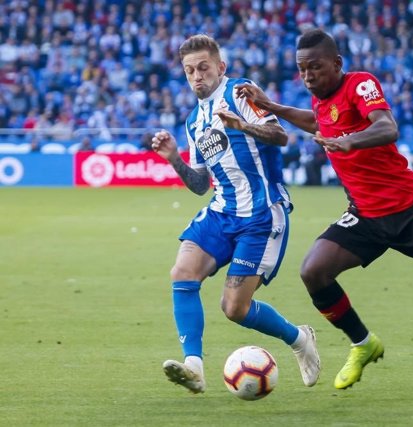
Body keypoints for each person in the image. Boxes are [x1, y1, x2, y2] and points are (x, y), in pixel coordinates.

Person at [236, 29, 413, 400]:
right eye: (302, 70)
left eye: (315, 68)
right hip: (365, 216)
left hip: (409, 211)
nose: (307, 76)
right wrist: (272, 107)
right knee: (314, 272)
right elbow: (318, 122)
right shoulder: (320, 99)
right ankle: (364, 343)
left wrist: (351, 140)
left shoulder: (360, 85)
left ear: (337, 64)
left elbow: (387, 126)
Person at [151, 34, 320, 394]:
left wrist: (242, 125)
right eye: (189, 71)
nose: (197, 76)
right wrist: (173, 160)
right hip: (222, 210)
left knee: (234, 309)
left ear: (220, 68)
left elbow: (280, 136)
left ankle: (299, 338)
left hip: (261, 213)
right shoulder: (193, 120)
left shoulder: (241, 92)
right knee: (182, 271)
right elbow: (200, 184)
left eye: (203, 68)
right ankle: (194, 366)